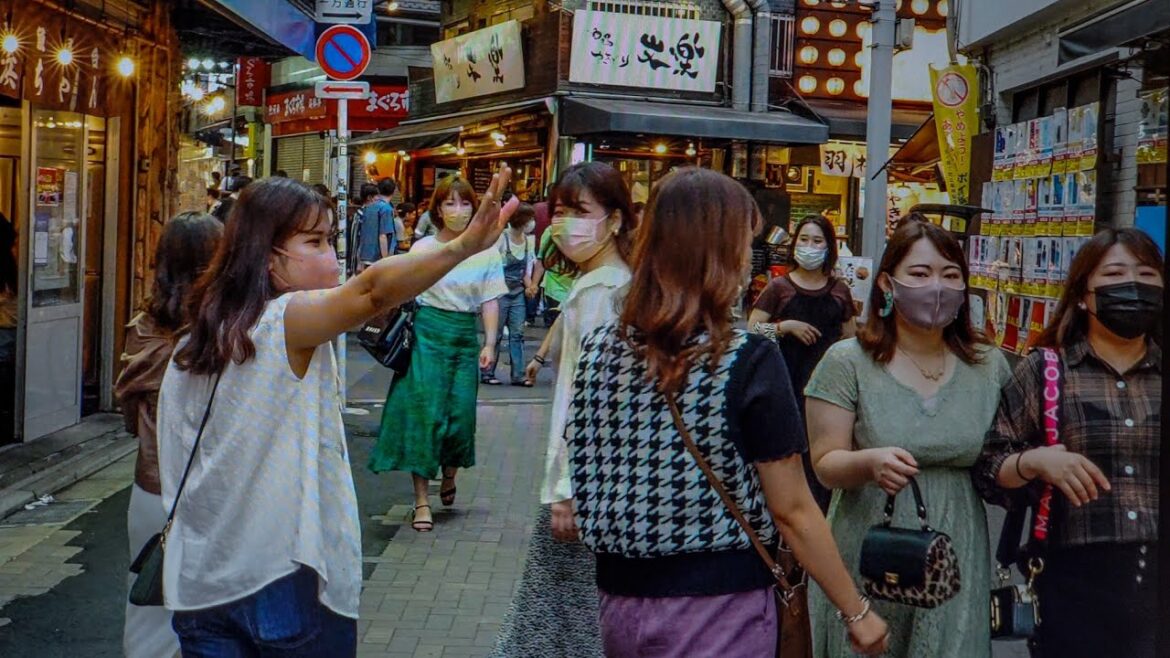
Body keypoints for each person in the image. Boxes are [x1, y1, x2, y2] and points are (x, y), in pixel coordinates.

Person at [156, 172, 518, 656]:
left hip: (198, 581)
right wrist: (461, 247)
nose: (332, 255)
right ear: (268, 257)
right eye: (316, 241)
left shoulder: (196, 337)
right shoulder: (283, 322)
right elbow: (372, 293)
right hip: (276, 577)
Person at [563, 167, 888, 657]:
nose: (746, 259)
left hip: (618, 600)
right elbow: (793, 508)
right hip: (718, 603)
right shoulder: (743, 357)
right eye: (742, 243)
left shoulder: (598, 349)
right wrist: (855, 610)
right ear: (718, 252)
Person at [804, 217, 1011, 658]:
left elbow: (1002, 458)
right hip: (868, 544)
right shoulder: (848, 361)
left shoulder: (989, 366)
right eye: (920, 273)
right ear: (887, 283)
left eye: (950, 275)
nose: (937, 286)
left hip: (956, 548)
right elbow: (824, 464)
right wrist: (867, 462)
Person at [973, 227, 1162, 658]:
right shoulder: (1048, 371)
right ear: (1083, 295)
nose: (1133, 285)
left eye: (1147, 274)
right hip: (1075, 579)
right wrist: (1035, 461)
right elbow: (987, 468)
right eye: (1114, 273)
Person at [491, 162, 636, 657]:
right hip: (603, 485)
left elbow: (583, 402)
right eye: (560, 210)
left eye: (582, 211)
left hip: (582, 488)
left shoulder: (603, 292)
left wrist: (564, 489)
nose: (566, 222)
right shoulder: (609, 284)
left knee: (560, 623)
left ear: (615, 220)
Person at [370, 175, 508, 532]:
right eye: (450, 203)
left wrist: (490, 343)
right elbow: (403, 290)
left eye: (465, 204)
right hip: (427, 335)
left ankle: (450, 474)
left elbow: (490, 299)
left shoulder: (487, 250)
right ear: (437, 208)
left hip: (464, 335)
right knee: (424, 416)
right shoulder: (423, 249)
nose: (458, 211)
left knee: (460, 417)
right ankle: (421, 501)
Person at [116, 212, 222, 658]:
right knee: (217, 613)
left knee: (147, 612)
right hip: (212, 491)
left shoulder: (140, 330)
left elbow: (128, 417)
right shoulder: (227, 335)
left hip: (150, 487)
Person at [748, 214, 856, 511]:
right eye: (804, 240)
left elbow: (850, 339)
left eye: (817, 241)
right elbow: (752, 329)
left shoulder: (840, 291)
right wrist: (785, 327)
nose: (809, 246)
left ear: (829, 247)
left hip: (829, 389)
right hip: (785, 384)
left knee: (822, 456)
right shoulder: (778, 288)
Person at [482, 203, 537, 387]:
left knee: (517, 334)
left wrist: (530, 286)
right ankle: (487, 372)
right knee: (495, 334)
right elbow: (489, 266)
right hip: (499, 294)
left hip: (517, 293)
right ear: (520, 220)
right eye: (529, 219)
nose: (532, 223)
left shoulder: (529, 241)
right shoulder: (501, 238)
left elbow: (526, 271)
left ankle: (519, 375)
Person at [355, 182, 395, 271]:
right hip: (377, 256)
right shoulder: (385, 208)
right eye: (376, 196)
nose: (378, 198)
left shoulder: (365, 209)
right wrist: (385, 260)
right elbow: (383, 236)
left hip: (364, 256)